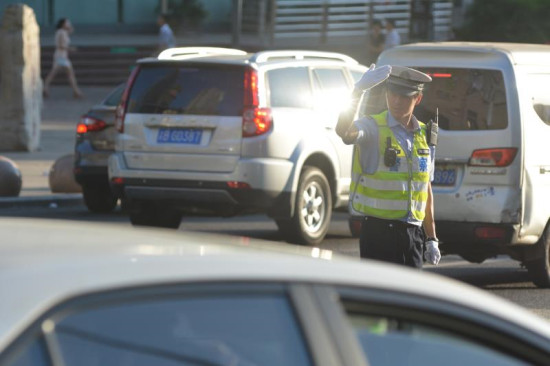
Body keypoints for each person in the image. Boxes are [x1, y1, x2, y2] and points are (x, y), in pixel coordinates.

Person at [335, 64, 441, 268]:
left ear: (417, 99)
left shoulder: (425, 135)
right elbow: (344, 132)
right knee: (380, 299)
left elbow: (425, 189)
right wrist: (357, 92)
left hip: (413, 235)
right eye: (392, 94)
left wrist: (432, 238)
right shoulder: (372, 127)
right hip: (378, 235)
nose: (396, 101)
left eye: (404, 96)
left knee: (409, 298)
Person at [43, 18, 83, 99]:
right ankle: (76, 91)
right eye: (67, 23)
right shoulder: (61, 32)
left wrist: (70, 29)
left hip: (62, 56)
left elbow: (70, 32)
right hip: (61, 56)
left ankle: (76, 91)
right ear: (63, 24)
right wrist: (70, 49)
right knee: (57, 73)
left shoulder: (62, 32)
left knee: (65, 73)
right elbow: (60, 45)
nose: (68, 24)